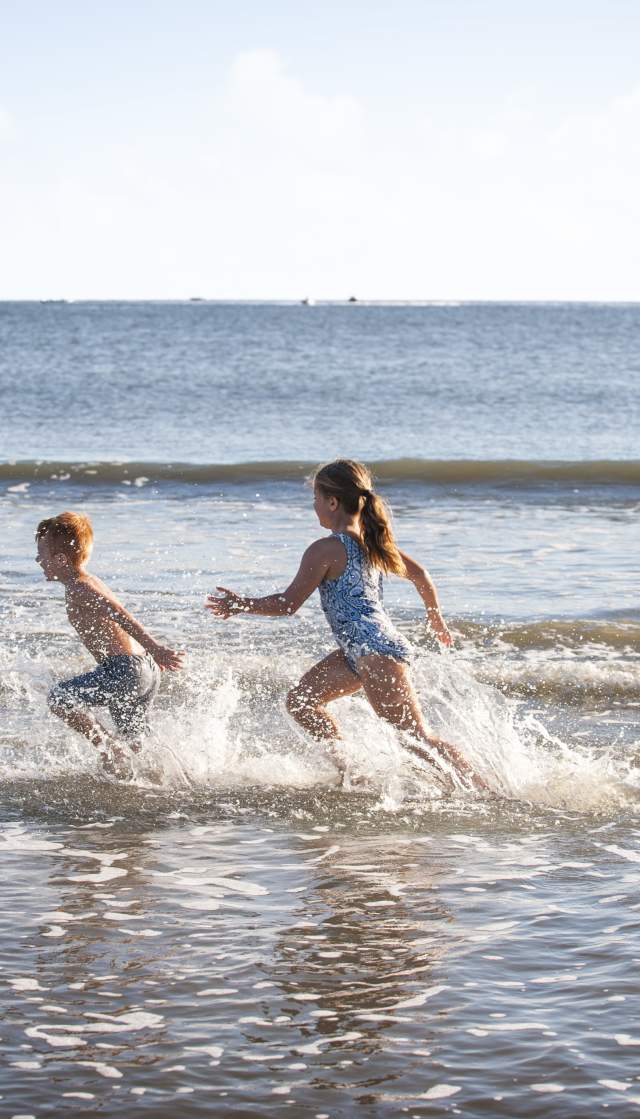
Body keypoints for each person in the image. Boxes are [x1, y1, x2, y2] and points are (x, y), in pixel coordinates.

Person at [206, 459, 485, 791]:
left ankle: (484, 791)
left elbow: (288, 604)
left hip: (375, 651)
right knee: (301, 701)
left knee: (415, 738)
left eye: (316, 499)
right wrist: (434, 617)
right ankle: (354, 774)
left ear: (333, 501)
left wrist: (241, 604)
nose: (314, 507)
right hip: (361, 651)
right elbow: (421, 575)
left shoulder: (325, 549)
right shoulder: (373, 543)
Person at [36, 511, 183, 778]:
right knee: (135, 741)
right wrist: (152, 654)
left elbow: (119, 613)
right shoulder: (89, 581)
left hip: (124, 670)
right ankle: (165, 779)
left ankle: (108, 748)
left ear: (59, 559)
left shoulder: (79, 587)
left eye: (41, 555)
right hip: (143, 669)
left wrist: (156, 646)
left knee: (60, 698)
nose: (38, 561)